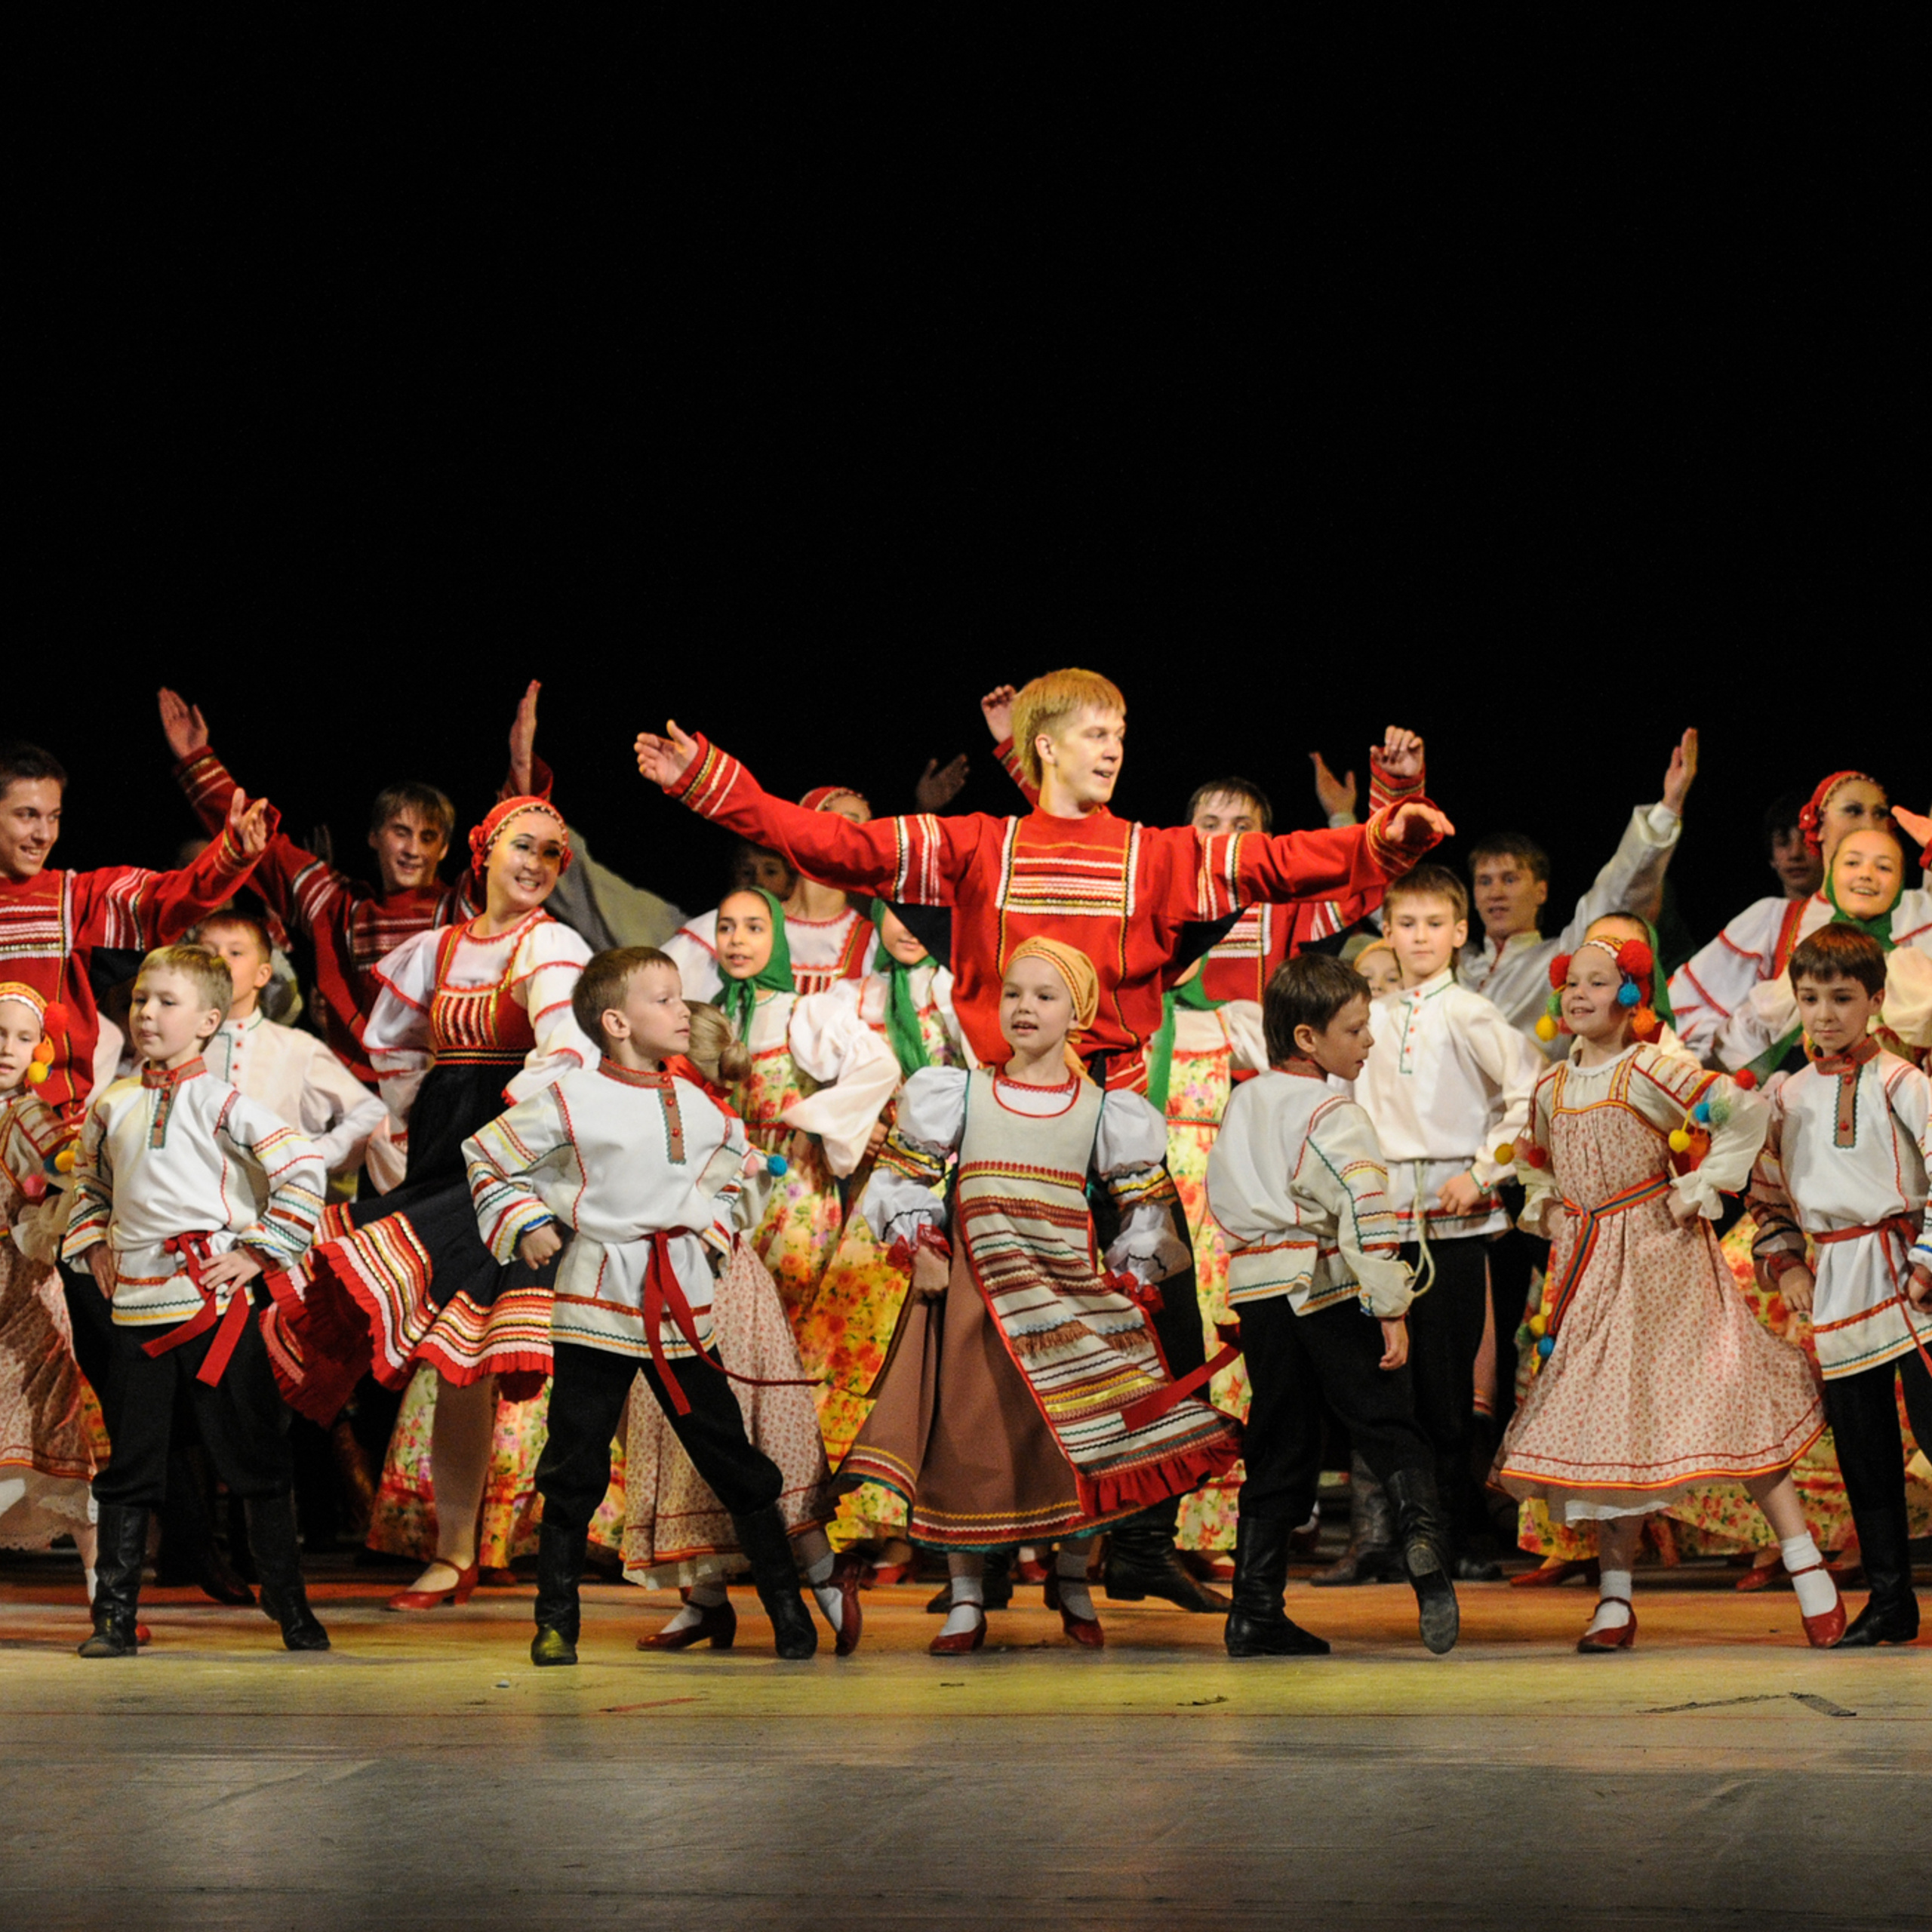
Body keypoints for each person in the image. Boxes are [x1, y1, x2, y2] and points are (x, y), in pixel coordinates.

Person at [636, 668, 1451, 1614]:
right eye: (1094, 731)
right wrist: (714, 784)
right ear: (1046, 748)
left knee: (1166, 1336)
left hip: (1109, 1132)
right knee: (988, 1359)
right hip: (997, 1140)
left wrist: (1386, 819)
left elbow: (1281, 866)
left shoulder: (1153, 855)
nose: (1113, 747)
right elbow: (842, 847)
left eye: (1120, 730)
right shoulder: (980, 846)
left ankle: (1138, 1543)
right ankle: (995, 1568)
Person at [844, 937, 1240, 1654]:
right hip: (975, 1299)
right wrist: (920, 1247)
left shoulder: (1105, 1112)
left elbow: (1144, 1212)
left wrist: (1134, 1279)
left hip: (1065, 1304)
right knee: (968, 1443)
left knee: (1073, 1444)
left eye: (1044, 996)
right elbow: (901, 1180)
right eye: (1014, 994)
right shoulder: (958, 1091)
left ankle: (1074, 1583)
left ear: (1077, 1014)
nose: (1025, 1008)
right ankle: (967, 1598)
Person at [263, 796, 597, 1613]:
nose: (537, 862)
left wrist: (515, 1126)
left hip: (519, 1158)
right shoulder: (438, 948)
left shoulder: (551, 943)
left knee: (555, 1354)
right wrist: (406, 1129)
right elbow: (400, 1049)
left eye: (553, 853)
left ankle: (593, 1543)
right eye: (524, 845)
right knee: (457, 1361)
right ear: (483, 851)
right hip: (449, 1154)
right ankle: (455, 1552)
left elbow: (569, 1049)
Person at [462, 946, 839, 1663]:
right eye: (663, 1001)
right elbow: (488, 1155)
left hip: (682, 1304)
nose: (682, 1011)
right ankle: (555, 1621)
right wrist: (526, 1222)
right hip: (598, 1298)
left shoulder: (697, 1105)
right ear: (617, 1023)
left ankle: (789, 1611)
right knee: (573, 1462)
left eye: (679, 997)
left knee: (728, 1453)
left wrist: (715, 1231)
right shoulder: (573, 1098)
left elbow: (736, 1172)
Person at [1493, 937, 1844, 1652]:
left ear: (1629, 996)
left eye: (1600, 982)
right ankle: (1615, 1600)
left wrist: (1706, 1185)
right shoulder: (1550, 1088)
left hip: (1665, 1257)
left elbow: (1739, 1112)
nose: (1581, 995)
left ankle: (1807, 1566)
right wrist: (1551, 1208)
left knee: (1732, 1395)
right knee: (1614, 1427)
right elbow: (1535, 1165)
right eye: (1572, 985)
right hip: (1592, 1269)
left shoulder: (1655, 1068)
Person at [60, 945, 329, 1656]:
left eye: (167, 1003)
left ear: (210, 1020)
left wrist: (258, 1249)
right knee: (132, 1464)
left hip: (215, 1311)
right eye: (141, 999)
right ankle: (113, 1617)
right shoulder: (112, 1103)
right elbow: (89, 1187)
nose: (147, 1013)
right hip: (138, 1313)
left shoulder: (225, 1103)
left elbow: (303, 1166)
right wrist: (92, 1246)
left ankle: (290, 1603)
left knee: (253, 1455)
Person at [1207, 952, 1459, 1657]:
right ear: (1308, 1039)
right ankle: (1422, 1539)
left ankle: (1254, 1610)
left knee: (1279, 1443)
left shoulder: (1246, 1099)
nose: (1369, 1041)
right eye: (1356, 1029)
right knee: (1386, 1419)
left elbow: (1223, 1196)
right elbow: (1363, 1207)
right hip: (1326, 1285)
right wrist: (1390, 1304)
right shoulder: (1331, 1109)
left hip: (1259, 1291)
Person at [158, 681, 549, 1085]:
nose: (413, 849)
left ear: (445, 849)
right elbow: (264, 846)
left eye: (428, 837)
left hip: (446, 1086)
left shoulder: (459, 908)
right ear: (374, 837)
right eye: (401, 832)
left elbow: (509, 848)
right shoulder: (341, 906)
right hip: (362, 1091)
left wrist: (521, 769)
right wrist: (197, 759)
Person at [617, 1000, 852, 1649]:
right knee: (685, 1436)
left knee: (743, 1430)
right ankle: (707, 1601)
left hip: (709, 1283)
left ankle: (823, 1578)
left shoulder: (702, 1120)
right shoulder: (659, 1111)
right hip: (665, 1280)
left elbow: (731, 1208)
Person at [979, 683, 1430, 998]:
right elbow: (1080, 837)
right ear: (1189, 836)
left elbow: (1370, 874)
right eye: (1210, 823)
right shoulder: (1163, 885)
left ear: (1265, 843)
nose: (1224, 839)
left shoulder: (1289, 914)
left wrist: (1399, 788)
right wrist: (1016, 746)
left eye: (1241, 827)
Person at [1352, 863, 1542, 1577]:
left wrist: (1484, 1171)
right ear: (1387, 931)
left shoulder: (1469, 1011)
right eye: (1407, 924)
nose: (1421, 937)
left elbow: (1527, 1093)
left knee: (1450, 1383)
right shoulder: (1371, 1014)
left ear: (1460, 932)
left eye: (1435, 924)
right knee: (1388, 1379)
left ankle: (1453, 1539)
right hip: (1384, 1218)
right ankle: (1409, 1536)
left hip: (1453, 1219)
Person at [1748, 924, 1932, 1646]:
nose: (1825, 1014)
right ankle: (1890, 1601)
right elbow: (1767, 1198)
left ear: (1876, 1001)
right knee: (1864, 1452)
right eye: (1811, 998)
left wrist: (1928, 1259)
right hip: (1840, 1287)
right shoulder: (1787, 1096)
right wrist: (1789, 1262)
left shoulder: (1903, 1082)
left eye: (1842, 999)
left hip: (1908, 1275)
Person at [0, 738, 275, 1119]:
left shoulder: (73, 900)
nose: (45, 835)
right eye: (27, 815)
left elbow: (166, 898)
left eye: (54, 816)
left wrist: (230, 855)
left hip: (46, 1131)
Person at [707, 887, 900, 1318]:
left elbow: (878, 1067)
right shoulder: (714, 1018)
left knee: (785, 1307)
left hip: (793, 1184)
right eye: (727, 927)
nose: (737, 939)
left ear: (777, 937)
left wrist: (816, 1120)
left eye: (754, 928)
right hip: (727, 1184)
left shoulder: (806, 1013)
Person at [1459, 729, 1697, 1056]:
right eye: (1484, 881)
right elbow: (1395, 910)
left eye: (1510, 879)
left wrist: (1668, 808)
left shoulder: (1562, 959)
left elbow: (1615, 894)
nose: (1495, 893)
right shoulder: (1457, 962)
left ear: (1541, 891)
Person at [1669, 770, 1895, 1064]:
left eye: (1879, 814)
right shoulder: (1775, 918)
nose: (1868, 824)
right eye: (1853, 811)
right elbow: (1683, 1007)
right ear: (1818, 827)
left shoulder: (1916, 914)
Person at [1707, 822, 1932, 1076]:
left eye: (1883, 867)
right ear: (1831, 874)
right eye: (1852, 863)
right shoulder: (1811, 960)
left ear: (1900, 884)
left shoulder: (1909, 971)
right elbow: (1752, 1032)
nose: (1866, 874)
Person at [0, 985, 95, 1564]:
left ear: (40, 1049)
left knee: (55, 1438)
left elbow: (72, 1164)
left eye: (22, 1037)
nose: (7, 1047)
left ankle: (104, 1595)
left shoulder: (30, 1115)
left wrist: (42, 1218)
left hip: (21, 1292)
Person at [195, 911, 384, 1185]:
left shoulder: (296, 1048)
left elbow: (370, 1113)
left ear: (262, 974)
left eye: (235, 953)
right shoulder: (180, 1043)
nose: (219, 960)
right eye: (208, 951)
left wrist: (310, 1157)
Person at [663, 788, 881, 1004]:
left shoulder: (872, 944)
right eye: (847, 824)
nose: (859, 840)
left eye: (868, 831)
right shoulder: (731, 927)